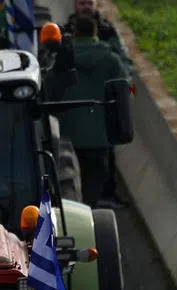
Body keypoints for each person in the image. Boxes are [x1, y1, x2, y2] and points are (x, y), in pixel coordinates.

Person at [48, 14, 128, 207]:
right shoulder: (110, 59)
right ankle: (89, 211)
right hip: (99, 137)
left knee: (68, 187)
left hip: (66, 136)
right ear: (96, 33)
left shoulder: (60, 59)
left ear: (74, 33)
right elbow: (124, 89)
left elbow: (48, 90)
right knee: (93, 184)